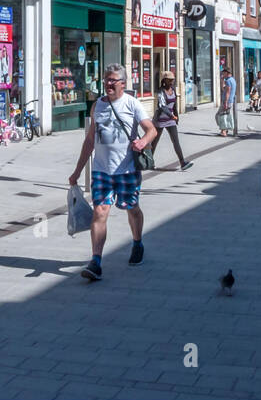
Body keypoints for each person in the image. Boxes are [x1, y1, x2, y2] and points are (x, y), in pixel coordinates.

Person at [69, 64, 157, 281]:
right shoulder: (97, 106)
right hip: (101, 170)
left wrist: (143, 141)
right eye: (106, 79)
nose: (108, 83)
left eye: (113, 80)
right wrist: (77, 171)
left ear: (123, 84)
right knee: (99, 212)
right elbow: (90, 140)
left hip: (126, 170)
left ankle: (137, 242)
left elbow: (151, 129)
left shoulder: (132, 104)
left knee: (132, 209)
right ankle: (96, 261)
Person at [152, 71, 193, 171]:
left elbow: (174, 105)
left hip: (171, 120)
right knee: (154, 142)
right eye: (169, 80)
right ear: (164, 81)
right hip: (161, 120)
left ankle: (182, 162)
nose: (171, 82)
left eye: (172, 80)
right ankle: (149, 162)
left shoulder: (173, 90)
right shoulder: (161, 91)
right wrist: (171, 115)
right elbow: (162, 106)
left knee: (176, 141)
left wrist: (176, 116)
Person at [216, 67, 237, 136]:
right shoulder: (232, 80)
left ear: (227, 73)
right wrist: (222, 80)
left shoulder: (228, 81)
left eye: (224, 73)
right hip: (230, 101)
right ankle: (225, 130)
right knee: (225, 115)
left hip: (227, 101)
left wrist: (225, 102)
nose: (222, 74)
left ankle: (224, 131)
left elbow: (227, 92)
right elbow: (223, 89)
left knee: (220, 115)